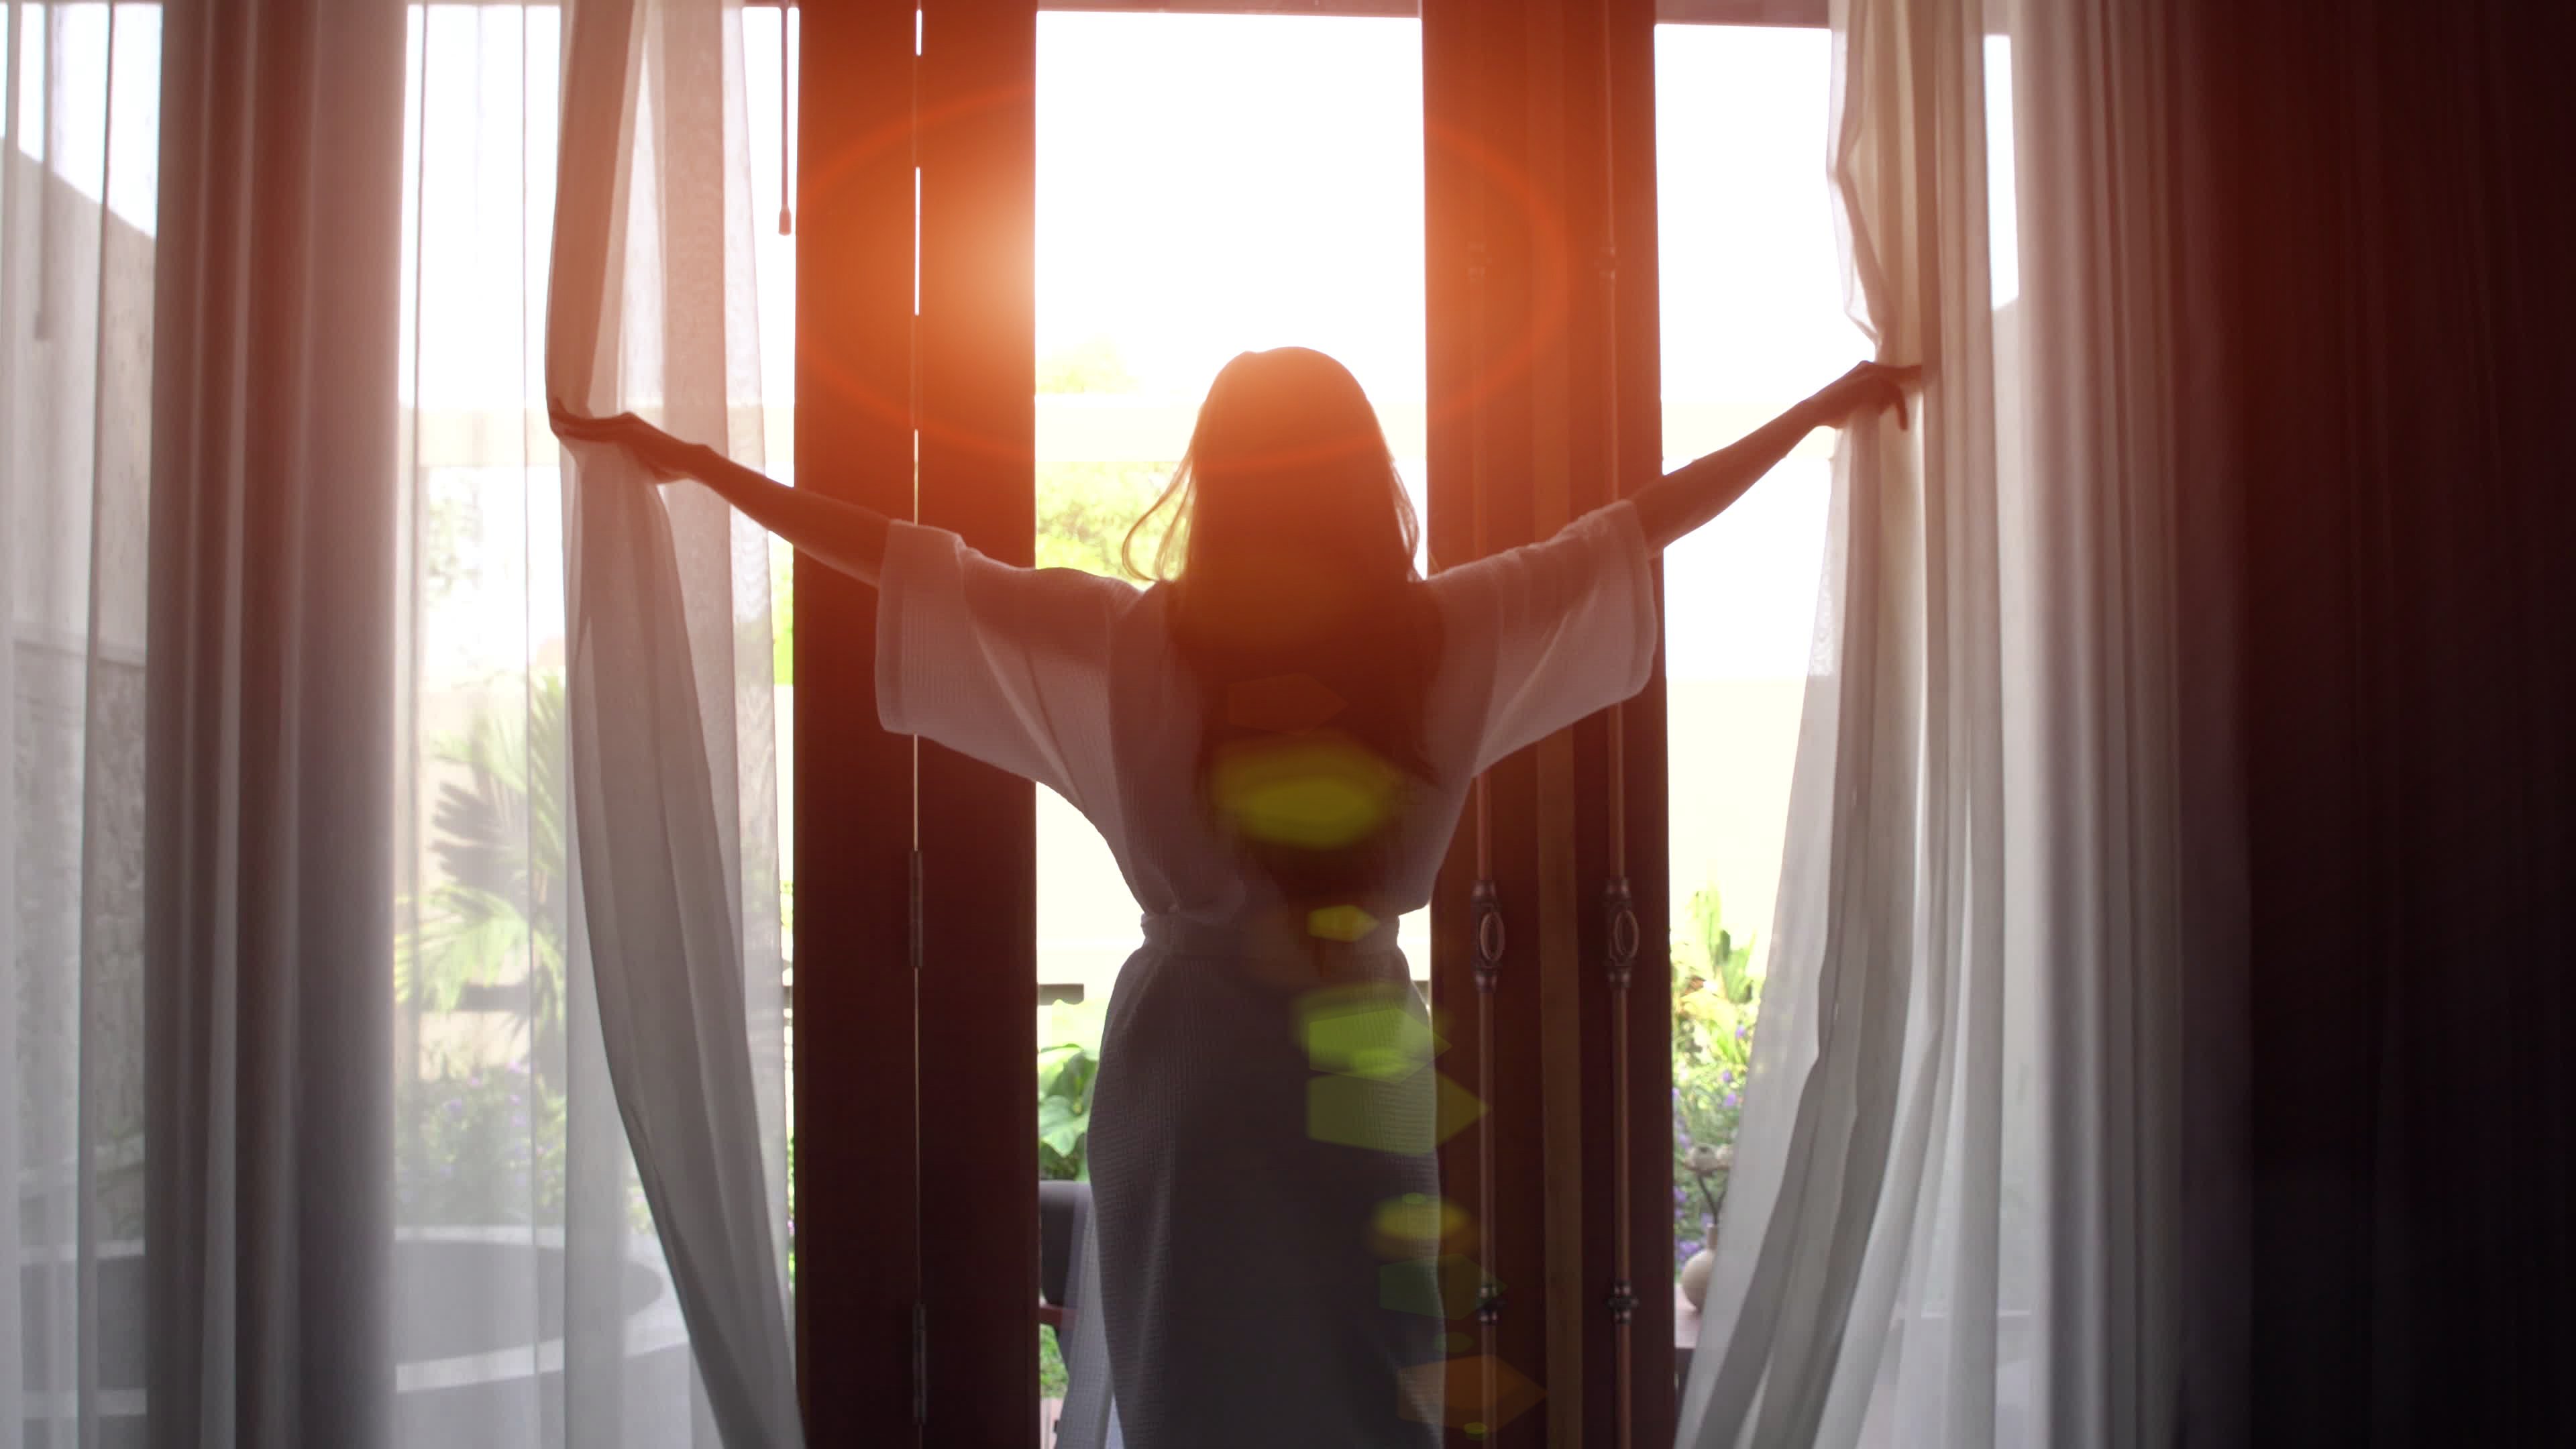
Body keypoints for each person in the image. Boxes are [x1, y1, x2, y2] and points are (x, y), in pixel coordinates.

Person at [556, 347, 1915, 1447]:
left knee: (1197, 1381)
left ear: (1216, 481)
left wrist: (699, 467)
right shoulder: (1441, 639)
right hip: (1357, 1055)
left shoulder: (1131, 645)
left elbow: (913, 566)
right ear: (1363, 480)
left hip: (1191, 1073)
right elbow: (1634, 529)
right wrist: (1805, 415)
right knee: (1374, 1374)